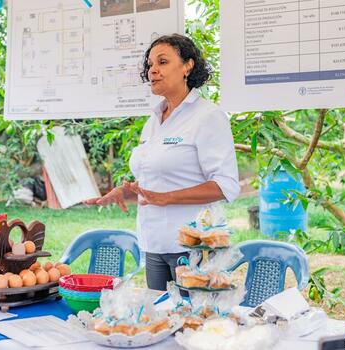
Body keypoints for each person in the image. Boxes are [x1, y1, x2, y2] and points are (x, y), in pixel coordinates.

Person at [85, 34, 240, 291]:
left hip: (192, 247)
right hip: (153, 242)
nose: (152, 70)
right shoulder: (154, 119)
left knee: (191, 325)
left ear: (187, 66)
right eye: (149, 65)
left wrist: (168, 197)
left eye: (163, 62)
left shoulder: (208, 116)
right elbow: (158, 178)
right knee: (159, 321)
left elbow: (226, 186)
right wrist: (127, 191)